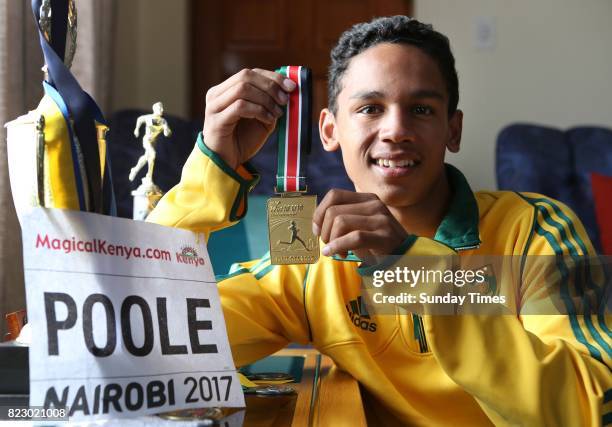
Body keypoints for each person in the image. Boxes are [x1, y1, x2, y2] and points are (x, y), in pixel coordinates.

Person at [148, 16, 611, 426]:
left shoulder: (536, 229)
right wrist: (211, 172)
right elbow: (151, 343)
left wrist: (410, 267)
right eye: (370, 109)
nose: (395, 130)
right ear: (330, 130)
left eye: (422, 109)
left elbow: (593, 408)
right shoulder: (311, 263)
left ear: (453, 129)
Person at [129, 102, 172, 183]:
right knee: (152, 154)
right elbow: (140, 119)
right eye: (160, 108)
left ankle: (135, 169)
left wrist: (166, 129)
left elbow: (167, 134)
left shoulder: (163, 121)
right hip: (147, 140)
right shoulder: (149, 117)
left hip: (153, 142)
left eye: (162, 108)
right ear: (155, 109)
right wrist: (137, 129)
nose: (162, 110)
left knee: (146, 157)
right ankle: (148, 176)